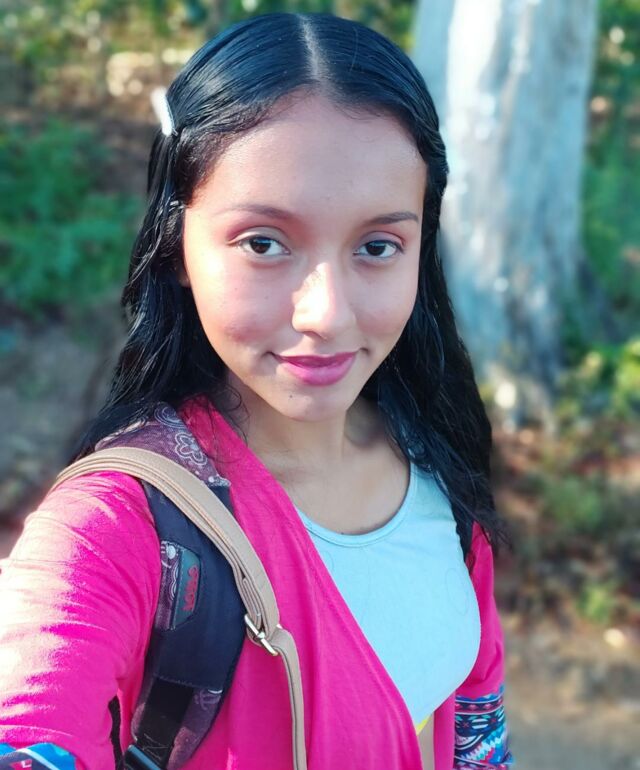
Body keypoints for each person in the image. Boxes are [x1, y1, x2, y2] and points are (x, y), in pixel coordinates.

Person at [0, 12, 514, 770]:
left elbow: (477, 733)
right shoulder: (114, 528)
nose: (325, 314)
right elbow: (31, 710)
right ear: (178, 246)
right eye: (264, 243)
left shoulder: (437, 466)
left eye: (378, 246)